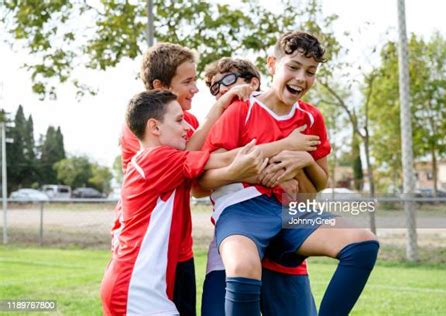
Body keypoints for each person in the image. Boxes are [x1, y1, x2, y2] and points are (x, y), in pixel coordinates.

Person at [199, 31, 379, 316]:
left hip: (289, 210)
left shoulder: (311, 118)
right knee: (243, 266)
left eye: (310, 72)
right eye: (293, 67)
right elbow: (207, 168)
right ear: (272, 64)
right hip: (243, 210)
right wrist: (261, 163)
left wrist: (304, 159)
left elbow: (316, 186)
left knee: (363, 243)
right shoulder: (241, 111)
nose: (300, 78)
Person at [100, 90, 267, 315]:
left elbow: (193, 149)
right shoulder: (157, 159)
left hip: (136, 285)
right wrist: (288, 145)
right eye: (179, 121)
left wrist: (218, 107)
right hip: (134, 289)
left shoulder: (155, 161)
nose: (187, 128)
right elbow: (225, 159)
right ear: (155, 127)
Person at [111, 42, 246, 315]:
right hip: (147, 251)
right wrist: (220, 108)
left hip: (179, 247)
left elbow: (206, 167)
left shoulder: (189, 122)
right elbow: (194, 165)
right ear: (160, 86)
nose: (196, 88)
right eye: (188, 81)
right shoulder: (139, 129)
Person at [200, 57, 317, 316]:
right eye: (214, 86)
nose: (220, 88)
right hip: (233, 241)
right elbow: (198, 184)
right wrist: (256, 173)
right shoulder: (215, 127)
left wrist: (297, 161)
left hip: (279, 242)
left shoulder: (283, 118)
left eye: (228, 80)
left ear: (254, 83)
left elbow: (303, 192)